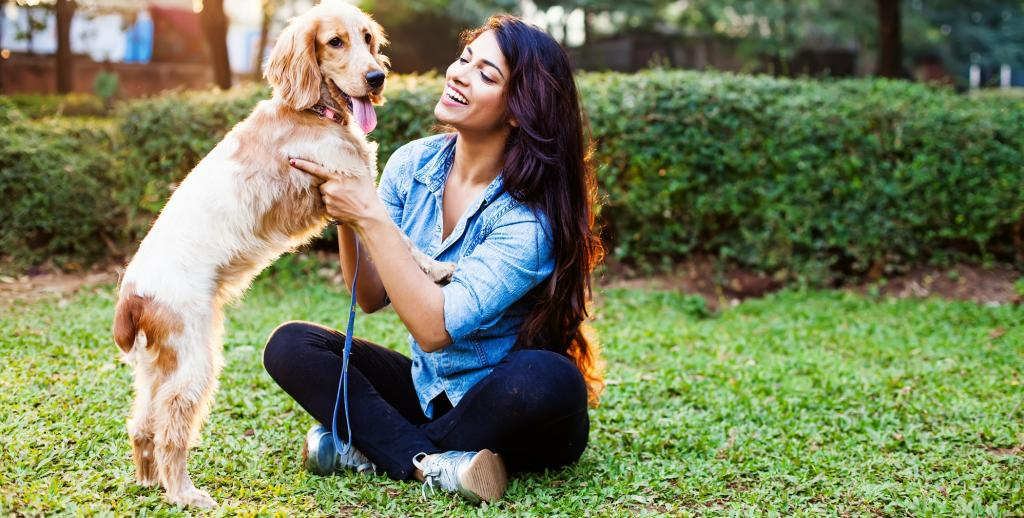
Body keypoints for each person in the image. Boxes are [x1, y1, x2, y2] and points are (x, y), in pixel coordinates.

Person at [263, 14, 604, 504]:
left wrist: (369, 214)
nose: (460, 74)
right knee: (292, 344)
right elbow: (369, 295)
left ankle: (380, 450)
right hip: (429, 391)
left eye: (486, 75)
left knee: (549, 377)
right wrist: (344, 204)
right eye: (465, 59)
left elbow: (434, 329)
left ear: (518, 110)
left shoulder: (529, 220)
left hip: (508, 404)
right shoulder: (412, 164)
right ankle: (435, 462)